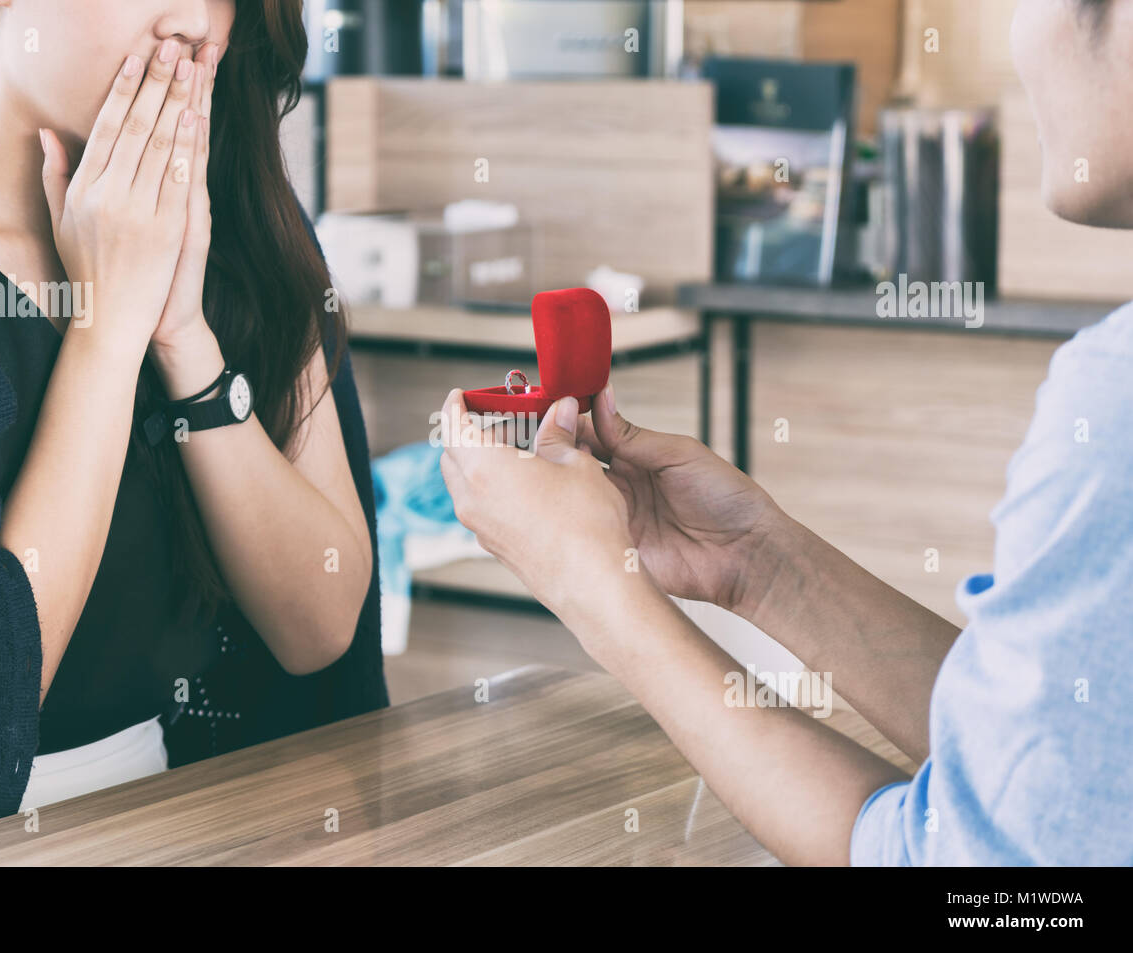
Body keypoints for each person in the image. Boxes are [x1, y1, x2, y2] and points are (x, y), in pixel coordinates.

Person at [438, 0, 1133, 865]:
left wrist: (590, 588)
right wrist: (761, 565)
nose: (1024, 37)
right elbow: (1065, 755)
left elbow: (986, 891)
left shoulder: (1115, 399)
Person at [0, 0, 386, 863]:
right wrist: (103, 332)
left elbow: (319, 632)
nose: (196, 23)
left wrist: (182, 338)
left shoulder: (247, 232)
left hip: (180, 826)